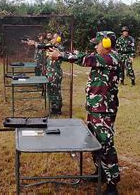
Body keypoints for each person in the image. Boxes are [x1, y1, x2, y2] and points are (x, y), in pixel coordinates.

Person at [49, 31, 121, 195]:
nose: (95, 46)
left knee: (106, 145)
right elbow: (86, 56)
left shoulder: (112, 58)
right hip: (95, 109)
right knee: (95, 142)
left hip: (104, 110)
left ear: (107, 44)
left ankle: (112, 184)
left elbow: (85, 59)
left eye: (98, 43)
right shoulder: (102, 57)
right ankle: (100, 173)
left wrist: (61, 55)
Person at [45, 33, 64, 114]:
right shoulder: (52, 47)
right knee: (51, 89)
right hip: (50, 72)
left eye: (54, 37)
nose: (52, 38)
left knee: (56, 90)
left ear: (58, 39)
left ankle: (57, 108)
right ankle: (53, 106)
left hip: (55, 72)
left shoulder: (60, 48)